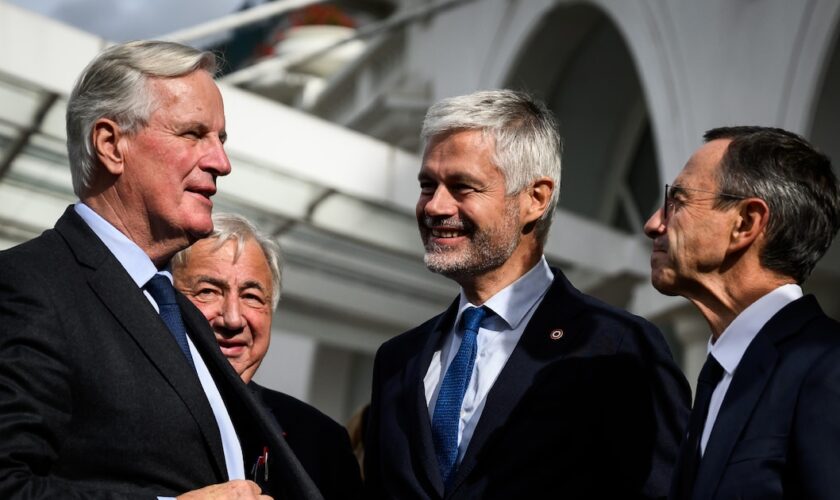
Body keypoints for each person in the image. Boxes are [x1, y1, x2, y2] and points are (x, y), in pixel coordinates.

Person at [0, 40, 319, 499]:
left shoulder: (170, 306)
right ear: (111, 144)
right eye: (193, 134)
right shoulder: (27, 286)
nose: (221, 163)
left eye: (221, 140)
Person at [364, 89, 691, 499]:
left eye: (462, 187)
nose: (434, 206)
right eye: (428, 185)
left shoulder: (617, 348)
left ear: (535, 199)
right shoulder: (398, 360)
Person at [644, 126, 840, 500]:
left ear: (746, 223)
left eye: (678, 201)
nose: (653, 223)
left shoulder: (826, 367)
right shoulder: (719, 375)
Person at [172, 212, 364, 499]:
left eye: (251, 296)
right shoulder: (115, 409)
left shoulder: (320, 440)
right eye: (208, 291)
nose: (233, 319)